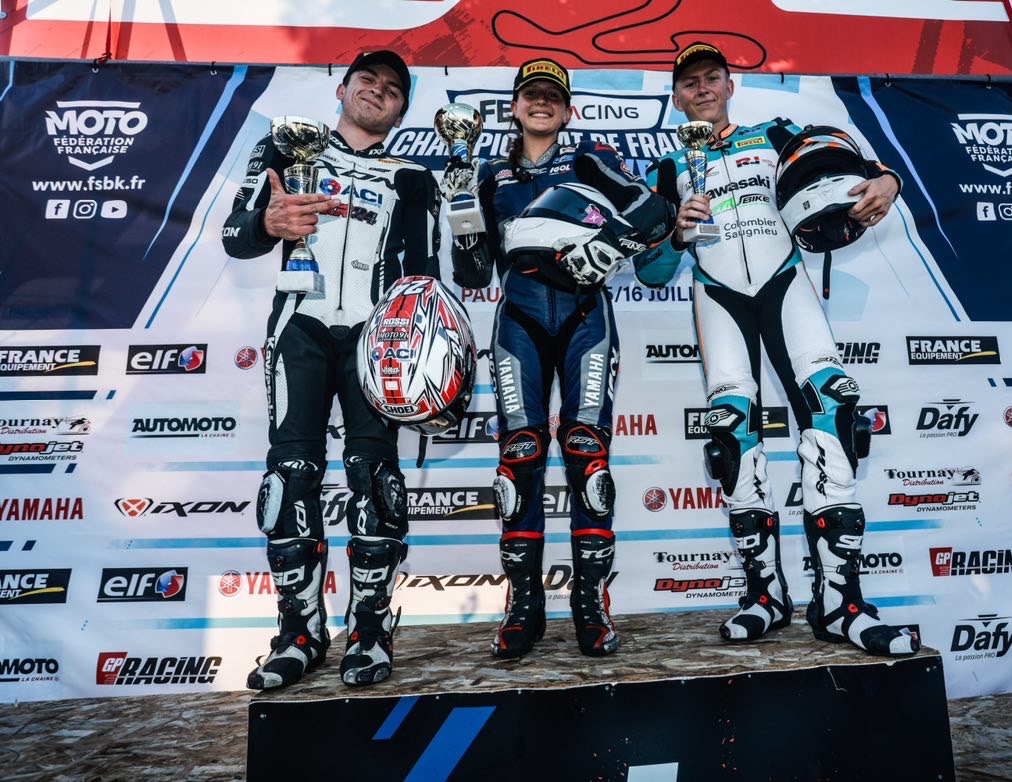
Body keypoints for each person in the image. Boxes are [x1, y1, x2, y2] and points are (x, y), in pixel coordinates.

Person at [634, 42, 919, 658]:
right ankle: (764, 595)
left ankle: (840, 604)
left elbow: (855, 165)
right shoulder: (667, 169)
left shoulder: (774, 134)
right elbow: (650, 272)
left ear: (729, 85)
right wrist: (676, 234)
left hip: (785, 285)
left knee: (832, 414)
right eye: (690, 82)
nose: (702, 88)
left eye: (712, 77)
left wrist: (887, 180)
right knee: (732, 435)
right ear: (676, 97)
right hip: (719, 298)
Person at [222, 50, 440, 689]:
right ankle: (299, 633)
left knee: (376, 478)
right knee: (289, 480)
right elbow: (236, 235)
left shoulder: (413, 178)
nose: (378, 91)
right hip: (300, 330)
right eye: (367, 79)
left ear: (401, 110)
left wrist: (426, 357)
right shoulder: (288, 147)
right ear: (341, 89)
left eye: (392, 88)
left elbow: (425, 279)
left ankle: (370, 632)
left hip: (378, 339)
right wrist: (268, 221)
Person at [445, 58, 675, 659]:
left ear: (568, 110)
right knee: (519, 456)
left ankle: (590, 604)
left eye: (552, 95)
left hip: (585, 318)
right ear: (514, 107)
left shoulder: (589, 159)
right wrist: (461, 213)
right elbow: (474, 273)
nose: (541, 103)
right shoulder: (488, 173)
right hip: (517, 322)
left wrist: (609, 246)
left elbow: (655, 212)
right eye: (532, 94)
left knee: (586, 454)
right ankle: (524, 606)